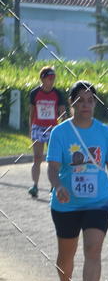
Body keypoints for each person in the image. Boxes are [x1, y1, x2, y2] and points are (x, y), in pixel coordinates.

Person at [46, 81, 108, 281]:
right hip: (66, 203)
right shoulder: (60, 132)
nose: (86, 105)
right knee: (66, 254)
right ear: (72, 103)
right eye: (80, 100)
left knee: (93, 248)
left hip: (98, 201)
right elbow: (52, 168)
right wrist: (58, 185)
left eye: (90, 100)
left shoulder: (104, 132)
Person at [28, 66, 66, 198]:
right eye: (49, 78)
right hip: (38, 127)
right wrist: (30, 129)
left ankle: (53, 187)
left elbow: (63, 113)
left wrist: (64, 130)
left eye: (53, 78)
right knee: (37, 158)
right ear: (42, 79)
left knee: (54, 159)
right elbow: (31, 113)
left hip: (53, 129)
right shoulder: (34, 93)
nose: (52, 80)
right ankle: (35, 186)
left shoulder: (58, 94)